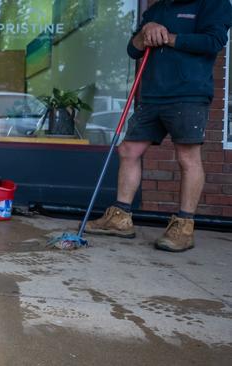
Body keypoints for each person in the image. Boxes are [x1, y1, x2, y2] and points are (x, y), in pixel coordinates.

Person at [85, 0, 232, 252]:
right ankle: (120, 217)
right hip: (152, 95)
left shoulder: (214, 3)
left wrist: (166, 37)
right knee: (129, 150)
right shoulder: (157, 9)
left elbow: (213, 42)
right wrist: (146, 31)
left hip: (188, 94)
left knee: (187, 157)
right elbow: (133, 50)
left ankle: (184, 227)